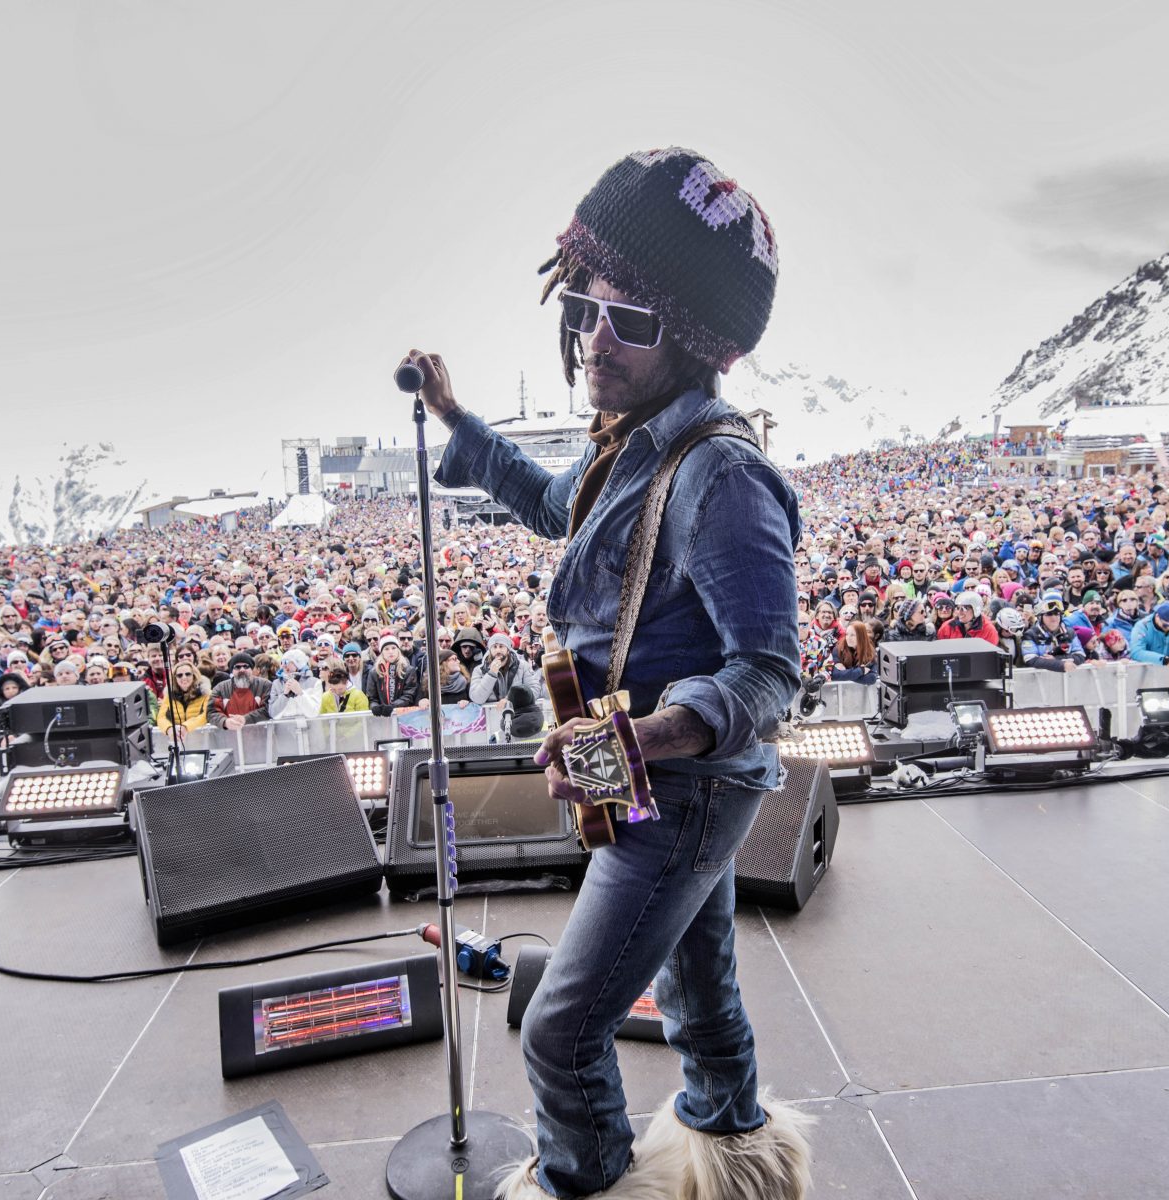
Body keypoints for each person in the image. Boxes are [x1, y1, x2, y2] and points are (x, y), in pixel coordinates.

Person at [409, 147, 810, 1199]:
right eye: (584, 304)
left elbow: (771, 673)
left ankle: (582, 1179)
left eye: (629, 321)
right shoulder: (634, 439)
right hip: (646, 772)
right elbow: (558, 511)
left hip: (678, 786)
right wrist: (459, 425)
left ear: (691, 340)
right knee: (696, 988)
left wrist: (651, 736)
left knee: (559, 1032)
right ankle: (733, 1143)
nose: (593, 338)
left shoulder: (718, 474)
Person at [470, 633, 544, 705]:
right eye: (494, 647)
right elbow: (477, 698)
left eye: (501, 646)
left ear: (508, 650)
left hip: (518, 714)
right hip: (492, 715)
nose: (498, 650)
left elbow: (535, 690)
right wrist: (491, 674)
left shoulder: (523, 666)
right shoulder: (479, 670)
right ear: (490, 650)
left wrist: (511, 699)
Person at [209, 652, 272, 731]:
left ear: (251, 669)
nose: (242, 670)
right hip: (229, 737)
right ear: (232, 671)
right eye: (237, 667)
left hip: (260, 735)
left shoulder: (265, 685)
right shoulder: (220, 688)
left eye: (246, 666)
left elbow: (268, 709)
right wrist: (225, 722)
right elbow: (212, 712)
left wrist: (245, 719)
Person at [155, 662, 212, 733]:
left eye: (188, 674)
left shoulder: (205, 694)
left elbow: (206, 715)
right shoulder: (169, 696)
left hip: (201, 736)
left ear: (194, 676)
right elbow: (161, 717)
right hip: (178, 737)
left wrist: (186, 727)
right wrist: (169, 729)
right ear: (175, 678)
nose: (184, 677)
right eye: (179, 675)